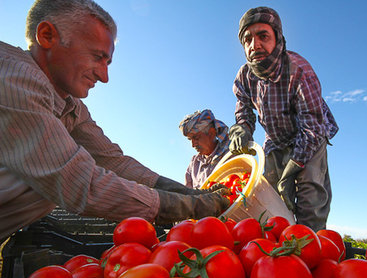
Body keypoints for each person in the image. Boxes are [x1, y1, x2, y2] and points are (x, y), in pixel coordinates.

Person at [0, 0, 230, 243]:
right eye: (97, 57)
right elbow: (81, 183)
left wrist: (189, 193)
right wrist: (190, 206)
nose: (104, 76)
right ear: (47, 36)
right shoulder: (13, 77)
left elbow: (113, 161)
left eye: (107, 63)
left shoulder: (71, 106)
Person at [229, 7, 338, 231]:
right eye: (247, 39)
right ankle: (277, 248)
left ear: (277, 38)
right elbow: (244, 111)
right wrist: (242, 128)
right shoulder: (244, 76)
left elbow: (312, 126)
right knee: (270, 196)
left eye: (263, 36)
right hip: (275, 140)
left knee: (310, 196)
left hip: (309, 137)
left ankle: (311, 244)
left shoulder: (299, 70)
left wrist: (293, 169)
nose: (255, 45)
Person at [179, 109, 230, 189]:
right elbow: (188, 194)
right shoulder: (194, 163)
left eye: (196, 138)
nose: (193, 145)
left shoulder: (230, 154)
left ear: (211, 133)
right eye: (190, 140)